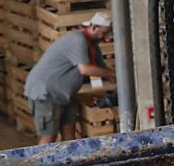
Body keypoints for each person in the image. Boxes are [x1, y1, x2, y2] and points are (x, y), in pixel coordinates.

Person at [24, 11, 111, 143]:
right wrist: (112, 74)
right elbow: (85, 69)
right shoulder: (78, 40)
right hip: (47, 93)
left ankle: (70, 161)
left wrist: (116, 79)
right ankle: (41, 162)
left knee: (69, 131)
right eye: (104, 33)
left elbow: (101, 70)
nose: (105, 38)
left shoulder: (92, 46)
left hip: (66, 94)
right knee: (49, 135)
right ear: (94, 28)